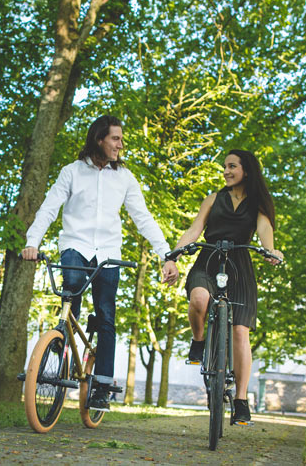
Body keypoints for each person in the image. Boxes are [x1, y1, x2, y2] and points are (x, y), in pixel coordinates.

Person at [21, 115, 179, 412]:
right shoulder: (71, 172)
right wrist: (33, 242)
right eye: (115, 138)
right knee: (72, 289)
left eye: (121, 139)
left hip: (107, 253)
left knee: (106, 316)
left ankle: (102, 387)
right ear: (99, 139)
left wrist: (165, 255)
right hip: (75, 247)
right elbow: (49, 208)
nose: (120, 144)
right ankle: (63, 348)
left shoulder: (125, 178)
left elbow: (143, 218)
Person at [167, 149, 283, 425]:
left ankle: (241, 401)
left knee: (241, 331)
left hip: (240, 265)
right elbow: (194, 230)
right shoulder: (213, 199)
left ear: (247, 170)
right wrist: (174, 255)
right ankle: (198, 341)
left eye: (232, 166)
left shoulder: (257, 203)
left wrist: (271, 251)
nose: (227, 171)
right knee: (198, 299)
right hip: (208, 259)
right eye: (225, 167)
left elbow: (266, 230)